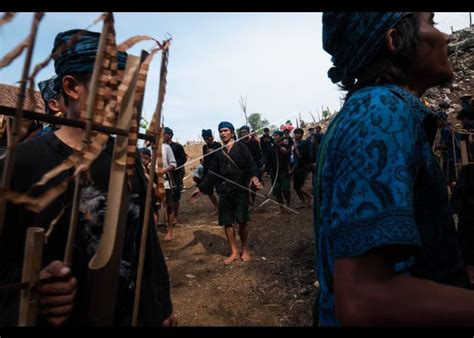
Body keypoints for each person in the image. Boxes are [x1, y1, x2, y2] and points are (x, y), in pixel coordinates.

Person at [0, 29, 175, 326]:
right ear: (71, 87)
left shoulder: (125, 159)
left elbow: (146, 245)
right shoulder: (21, 166)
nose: (122, 103)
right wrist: (30, 285)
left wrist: (161, 306)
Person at [315, 12, 474, 326]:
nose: (447, 37)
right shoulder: (382, 113)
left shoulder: (367, 108)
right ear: (395, 40)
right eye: (432, 23)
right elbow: (364, 299)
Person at [197, 121, 262, 265]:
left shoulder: (241, 147)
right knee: (227, 223)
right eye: (220, 131)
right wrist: (201, 188)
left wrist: (254, 177)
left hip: (240, 190)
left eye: (225, 130)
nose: (222, 133)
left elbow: (251, 165)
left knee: (242, 221)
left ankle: (244, 248)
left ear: (232, 133)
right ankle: (233, 251)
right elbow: (212, 172)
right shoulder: (218, 152)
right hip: (224, 192)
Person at [163, 127, 186, 224]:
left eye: (164, 134)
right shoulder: (161, 147)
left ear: (170, 135)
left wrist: (174, 167)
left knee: (175, 196)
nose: (163, 136)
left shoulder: (177, 147)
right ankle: (167, 217)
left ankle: (175, 216)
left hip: (175, 174)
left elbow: (183, 159)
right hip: (164, 175)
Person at [267, 130, 292, 214]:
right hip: (275, 173)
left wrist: (285, 151)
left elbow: (289, 154)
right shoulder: (271, 148)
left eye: (277, 135)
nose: (275, 137)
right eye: (274, 135)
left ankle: (288, 205)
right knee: (277, 191)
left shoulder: (286, 146)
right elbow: (267, 160)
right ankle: (281, 208)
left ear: (281, 136)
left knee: (286, 190)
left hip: (284, 172)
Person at [238, 125, 262, 207]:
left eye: (245, 132)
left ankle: (253, 201)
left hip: (253, 167)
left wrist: (250, 159)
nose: (243, 134)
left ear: (248, 133)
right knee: (245, 186)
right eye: (241, 133)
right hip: (243, 168)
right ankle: (248, 202)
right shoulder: (239, 144)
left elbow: (259, 155)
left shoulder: (254, 142)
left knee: (253, 186)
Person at [200, 128, 220, 211]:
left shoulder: (217, 145)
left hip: (217, 172)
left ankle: (224, 207)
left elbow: (220, 157)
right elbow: (205, 159)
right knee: (208, 191)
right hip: (207, 172)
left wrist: (213, 151)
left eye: (207, 138)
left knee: (220, 191)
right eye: (204, 138)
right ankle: (216, 207)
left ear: (212, 137)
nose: (206, 140)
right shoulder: (204, 147)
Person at [292, 128, 312, 207]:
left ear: (302, 134)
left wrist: (295, 147)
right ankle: (303, 202)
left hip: (303, 166)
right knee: (296, 187)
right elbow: (295, 158)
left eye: (298, 133)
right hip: (296, 167)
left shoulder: (305, 143)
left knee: (299, 186)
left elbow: (300, 156)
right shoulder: (296, 143)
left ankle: (310, 198)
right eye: (295, 133)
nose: (296, 135)